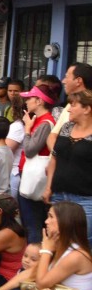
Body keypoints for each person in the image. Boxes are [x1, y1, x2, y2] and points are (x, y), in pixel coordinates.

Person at [44, 89, 92, 246]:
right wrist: (49, 187)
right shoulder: (66, 127)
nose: (69, 109)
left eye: (73, 105)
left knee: (82, 243)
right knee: (56, 241)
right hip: (59, 195)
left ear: (87, 108)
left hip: (85, 200)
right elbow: (55, 158)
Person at [19, 82, 57, 242]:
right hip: (30, 177)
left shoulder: (45, 123)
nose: (26, 101)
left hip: (35, 181)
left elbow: (29, 150)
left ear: (39, 101)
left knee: (33, 225)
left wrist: (27, 129)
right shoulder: (40, 120)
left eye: (30, 98)